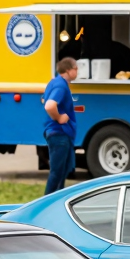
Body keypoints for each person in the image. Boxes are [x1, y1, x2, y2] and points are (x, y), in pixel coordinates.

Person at [42, 57, 78, 195]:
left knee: (62, 171)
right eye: (76, 69)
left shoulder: (54, 82)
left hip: (59, 133)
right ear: (68, 70)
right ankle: (45, 204)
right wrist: (59, 117)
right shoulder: (61, 86)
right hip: (59, 133)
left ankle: (56, 202)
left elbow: (43, 99)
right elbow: (49, 105)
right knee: (57, 173)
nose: (77, 72)